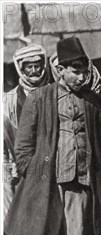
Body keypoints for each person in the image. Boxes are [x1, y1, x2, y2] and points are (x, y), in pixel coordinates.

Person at [4, 37, 101, 235]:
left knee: (77, 234)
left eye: (84, 70)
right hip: (48, 179)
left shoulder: (91, 99)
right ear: (60, 70)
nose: (81, 76)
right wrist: (31, 171)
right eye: (75, 70)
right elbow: (23, 144)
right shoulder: (40, 98)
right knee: (47, 234)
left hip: (81, 175)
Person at [4, 44, 50, 219]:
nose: (33, 71)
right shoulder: (9, 100)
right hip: (22, 165)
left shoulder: (53, 92)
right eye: (28, 67)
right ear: (20, 68)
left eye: (37, 65)